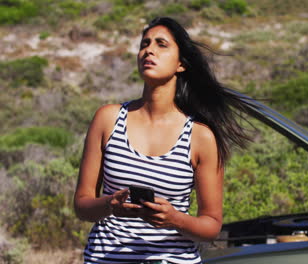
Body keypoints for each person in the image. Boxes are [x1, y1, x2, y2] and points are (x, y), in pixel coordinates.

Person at [74, 17, 251, 264]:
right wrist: (110, 205)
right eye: (144, 44)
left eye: (161, 44)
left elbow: (211, 225)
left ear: (181, 64)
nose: (149, 50)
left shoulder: (200, 136)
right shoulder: (108, 119)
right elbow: (82, 206)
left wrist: (174, 218)